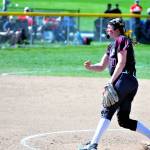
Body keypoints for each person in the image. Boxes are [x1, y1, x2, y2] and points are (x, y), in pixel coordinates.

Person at [79, 18, 150, 150]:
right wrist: (90, 67)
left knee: (107, 111)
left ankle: (93, 145)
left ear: (117, 30)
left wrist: (110, 83)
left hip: (124, 80)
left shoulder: (122, 39)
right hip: (128, 83)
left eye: (109, 27)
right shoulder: (111, 46)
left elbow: (121, 63)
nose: (107, 29)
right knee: (124, 120)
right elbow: (101, 66)